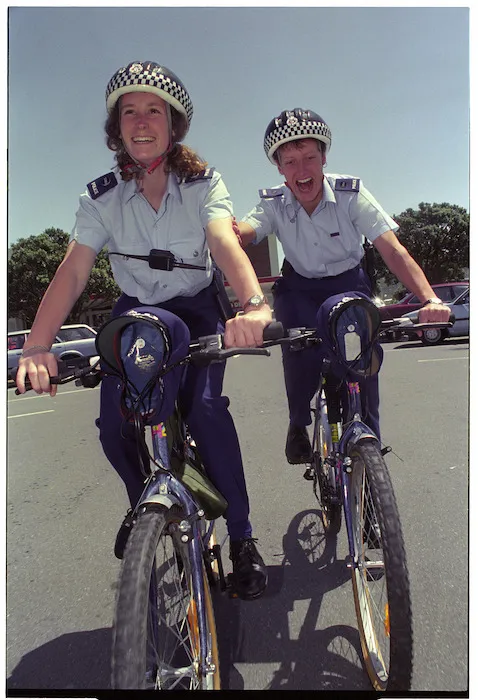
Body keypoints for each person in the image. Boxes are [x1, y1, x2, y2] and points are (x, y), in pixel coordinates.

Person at [15, 60, 273, 600]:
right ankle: (146, 505)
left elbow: (224, 242)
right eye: (128, 111)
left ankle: (243, 534)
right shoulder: (100, 197)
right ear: (116, 128)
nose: (140, 120)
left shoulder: (203, 182)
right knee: (115, 427)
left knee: (205, 409)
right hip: (137, 312)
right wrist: (37, 346)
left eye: (153, 110)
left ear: (172, 124)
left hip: (199, 307)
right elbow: (75, 269)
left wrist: (251, 305)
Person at [234, 108, 451, 464]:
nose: (301, 171)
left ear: (324, 158)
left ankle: (371, 452)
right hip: (299, 288)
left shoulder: (351, 193)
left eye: (309, 158)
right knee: (298, 351)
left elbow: (393, 250)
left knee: (362, 363)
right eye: (290, 161)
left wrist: (429, 299)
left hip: (348, 283)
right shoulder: (273, 202)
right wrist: (221, 229)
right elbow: (241, 234)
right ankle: (298, 423)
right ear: (279, 167)